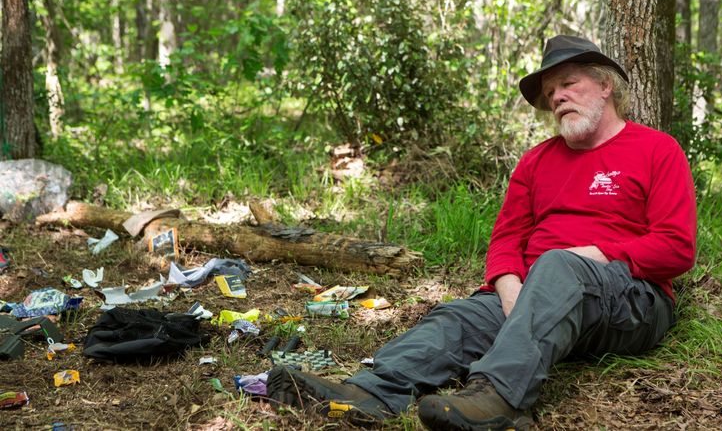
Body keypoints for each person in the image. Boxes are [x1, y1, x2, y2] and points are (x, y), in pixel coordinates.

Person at [266, 34, 697, 430]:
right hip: (535, 298)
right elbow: (506, 241)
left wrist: (593, 255)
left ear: (606, 85)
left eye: (568, 83)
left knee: (559, 265)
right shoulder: (536, 161)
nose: (558, 97)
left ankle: (499, 400)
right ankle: (368, 393)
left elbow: (676, 248)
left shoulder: (657, 148)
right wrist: (512, 293)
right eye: (551, 94)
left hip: (628, 302)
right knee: (455, 318)